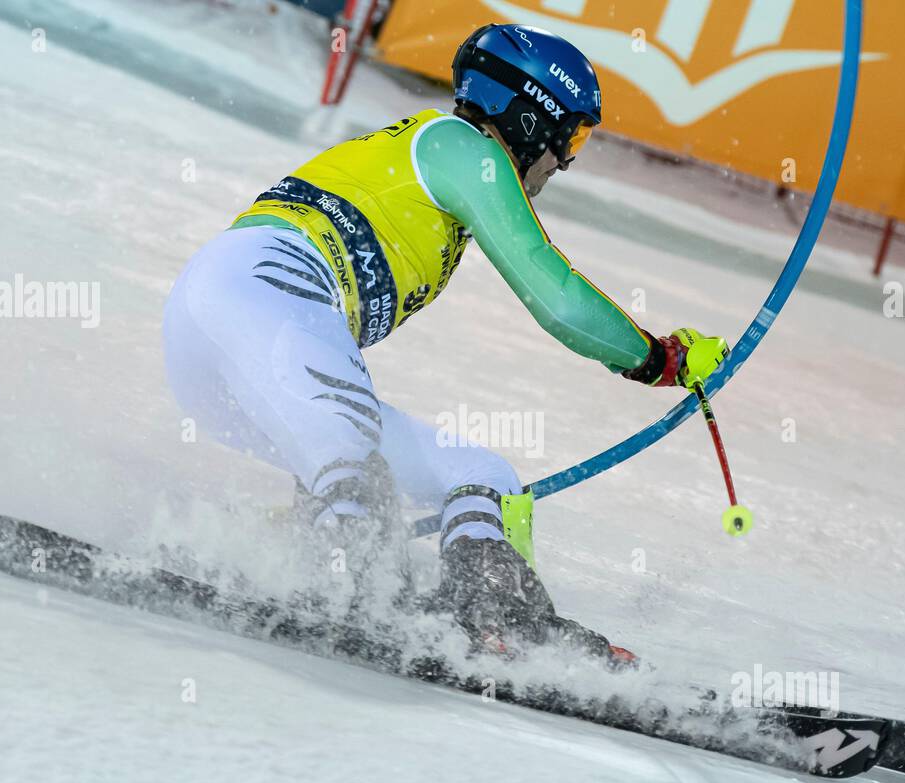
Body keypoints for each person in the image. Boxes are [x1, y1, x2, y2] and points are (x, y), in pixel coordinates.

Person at [162, 23, 728, 660]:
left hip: (235, 355)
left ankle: (498, 615)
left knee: (483, 477)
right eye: (570, 136)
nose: (565, 160)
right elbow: (557, 297)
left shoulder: (432, 158)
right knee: (348, 458)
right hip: (261, 294)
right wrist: (658, 358)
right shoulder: (463, 148)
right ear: (528, 117)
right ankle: (349, 580)